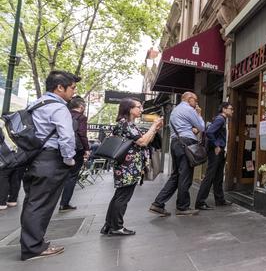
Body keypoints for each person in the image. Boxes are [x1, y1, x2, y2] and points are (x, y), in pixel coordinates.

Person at [20, 70, 80, 261]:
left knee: (33, 202)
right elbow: (66, 136)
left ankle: (32, 243)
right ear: (59, 87)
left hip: (34, 158)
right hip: (50, 160)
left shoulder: (36, 104)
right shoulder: (59, 107)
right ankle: (33, 247)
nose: (74, 91)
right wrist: (69, 159)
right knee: (42, 204)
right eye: (72, 87)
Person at [101, 98, 162, 236]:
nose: (141, 110)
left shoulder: (130, 125)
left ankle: (109, 225)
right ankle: (116, 226)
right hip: (127, 166)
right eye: (138, 107)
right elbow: (142, 142)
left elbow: (145, 140)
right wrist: (153, 127)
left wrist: (155, 129)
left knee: (120, 196)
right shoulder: (125, 125)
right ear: (129, 109)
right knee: (123, 197)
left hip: (129, 165)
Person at [149, 91, 204, 216]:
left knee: (176, 176)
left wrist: (193, 129)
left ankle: (158, 204)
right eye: (195, 100)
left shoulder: (175, 110)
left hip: (175, 143)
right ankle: (182, 207)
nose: (196, 103)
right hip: (186, 143)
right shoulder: (189, 110)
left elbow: (185, 128)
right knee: (185, 176)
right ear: (190, 99)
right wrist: (199, 113)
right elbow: (201, 127)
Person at [195, 102, 233, 210]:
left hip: (220, 151)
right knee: (210, 176)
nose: (232, 111)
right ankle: (200, 202)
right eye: (231, 109)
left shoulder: (222, 119)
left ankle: (220, 199)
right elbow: (209, 132)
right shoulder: (220, 119)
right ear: (224, 109)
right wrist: (216, 145)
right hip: (215, 152)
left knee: (218, 176)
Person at [59, 96, 90, 212]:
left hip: (60, 148)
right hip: (76, 149)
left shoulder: (63, 114)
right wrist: (87, 149)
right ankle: (64, 203)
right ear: (81, 107)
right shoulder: (81, 117)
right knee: (71, 176)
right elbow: (82, 134)